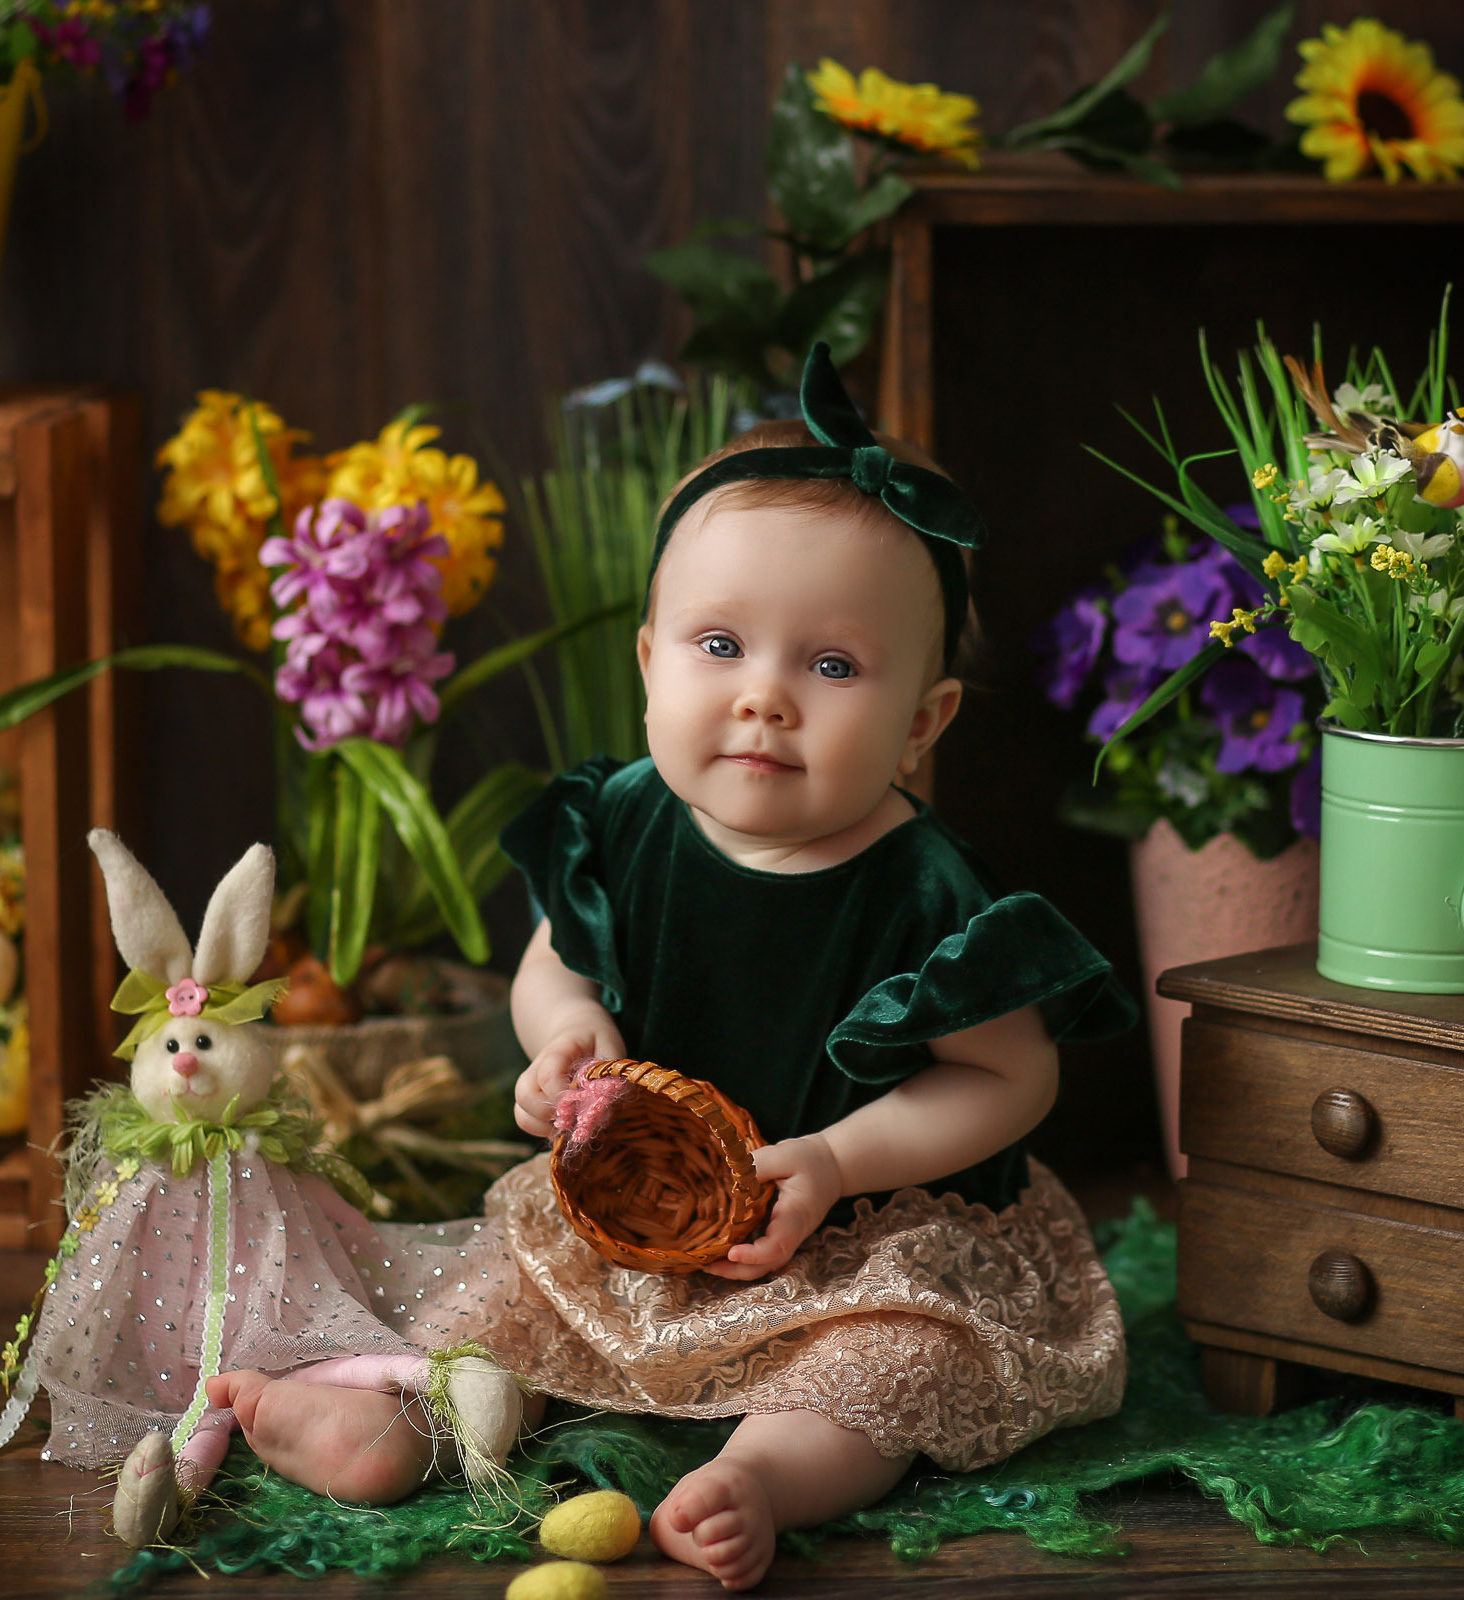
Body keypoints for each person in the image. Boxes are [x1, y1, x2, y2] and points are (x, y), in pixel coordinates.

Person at [486, 344, 1137, 1589]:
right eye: (720, 644)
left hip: (868, 1238)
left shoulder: (933, 891)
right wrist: (560, 1032)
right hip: (642, 1225)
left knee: (898, 1365)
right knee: (496, 1292)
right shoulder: (620, 821)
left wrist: (839, 1160)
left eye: (831, 666)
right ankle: (412, 1402)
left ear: (924, 720)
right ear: (648, 665)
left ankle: (765, 1471)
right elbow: (552, 965)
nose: (765, 698)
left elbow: (1008, 1081)